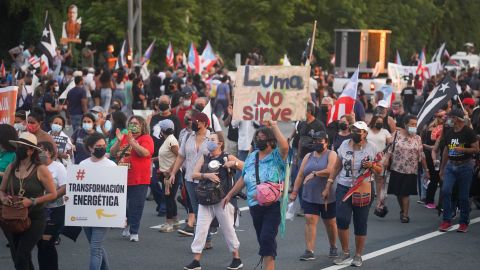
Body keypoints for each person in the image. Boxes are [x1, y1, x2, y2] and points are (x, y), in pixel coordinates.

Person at [223, 121, 289, 270]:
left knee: (266, 238)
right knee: (263, 241)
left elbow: (284, 146)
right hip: (254, 205)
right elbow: (243, 177)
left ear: (271, 141)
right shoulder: (252, 156)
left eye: (262, 137)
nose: (258, 139)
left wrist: (274, 126)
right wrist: (229, 195)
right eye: (257, 137)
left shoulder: (276, 156)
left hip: (273, 205)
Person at [184, 132, 244, 270]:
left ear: (220, 143)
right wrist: (207, 175)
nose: (209, 141)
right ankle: (196, 260)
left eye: (212, 139)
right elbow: (193, 174)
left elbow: (245, 165)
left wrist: (233, 163)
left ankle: (236, 258)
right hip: (205, 198)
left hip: (222, 199)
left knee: (228, 228)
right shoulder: (204, 157)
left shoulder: (226, 156)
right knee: (201, 229)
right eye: (208, 139)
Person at [0, 132, 57, 270]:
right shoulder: (12, 167)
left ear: (31, 151)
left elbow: (53, 193)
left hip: (35, 217)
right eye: (18, 146)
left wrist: (32, 201)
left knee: (22, 254)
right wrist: (3, 198)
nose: (18, 149)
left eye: (22, 147)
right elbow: (1, 190)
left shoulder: (41, 169)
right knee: (17, 256)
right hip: (13, 217)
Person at [329, 121, 382, 267]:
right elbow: (337, 166)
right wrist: (328, 183)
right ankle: (345, 252)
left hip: (363, 188)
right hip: (344, 187)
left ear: (365, 133)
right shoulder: (344, 144)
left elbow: (380, 169)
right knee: (341, 218)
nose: (355, 133)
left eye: (359, 131)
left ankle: (358, 255)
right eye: (353, 130)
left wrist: (372, 165)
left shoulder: (372, 147)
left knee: (360, 221)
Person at [290, 131, 338, 261]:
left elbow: (330, 170)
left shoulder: (331, 154)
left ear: (326, 142)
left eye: (320, 141)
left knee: (330, 222)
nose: (317, 143)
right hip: (309, 195)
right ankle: (309, 250)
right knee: (310, 220)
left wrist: (315, 173)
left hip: (326, 195)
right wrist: (294, 191)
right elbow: (300, 174)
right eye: (315, 140)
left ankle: (333, 246)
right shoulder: (308, 156)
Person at [110, 115, 154, 242]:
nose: (133, 125)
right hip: (122, 177)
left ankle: (134, 231)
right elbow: (113, 153)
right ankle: (126, 224)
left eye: (136, 123)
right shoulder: (123, 137)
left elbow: (145, 153)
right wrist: (119, 141)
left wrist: (132, 143)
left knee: (136, 205)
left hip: (139, 179)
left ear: (142, 126)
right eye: (131, 123)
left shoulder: (146, 138)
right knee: (123, 205)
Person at [169, 113, 211, 237]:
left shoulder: (211, 138)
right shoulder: (188, 136)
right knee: (197, 209)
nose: (193, 123)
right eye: (193, 121)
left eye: (197, 121)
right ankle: (205, 237)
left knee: (205, 210)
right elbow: (181, 156)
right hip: (189, 178)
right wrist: (173, 173)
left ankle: (206, 237)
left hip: (205, 179)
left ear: (205, 124)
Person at [79, 132, 116, 270]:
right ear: (90, 148)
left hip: (103, 213)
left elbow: (117, 193)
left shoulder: (111, 165)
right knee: (96, 246)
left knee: (95, 248)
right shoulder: (83, 164)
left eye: (103, 146)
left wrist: (119, 214)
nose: (101, 148)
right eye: (97, 146)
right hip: (87, 212)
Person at [438, 109, 479, 232]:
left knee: (463, 195)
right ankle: (446, 221)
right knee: (445, 191)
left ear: (457, 119)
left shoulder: (468, 132)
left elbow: (476, 149)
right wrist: (442, 168)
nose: (448, 120)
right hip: (451, 165)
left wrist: (463, 150)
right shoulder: (449, 132)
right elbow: (446, 150)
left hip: (465, 166)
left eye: (451, 117)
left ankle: (464, 222)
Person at [385, 115, 429, 223]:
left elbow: (422, 155)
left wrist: (426, 170)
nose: (414, 126)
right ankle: (402, 209)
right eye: (412, 124)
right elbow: (389, 150)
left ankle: (405, 214)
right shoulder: (396, 135)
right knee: (398, 193)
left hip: (411, 170)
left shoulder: (417, 138)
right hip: (396, 168)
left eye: (415, 124)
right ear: (405, 124)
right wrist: (385, 160)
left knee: (405, 193)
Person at [36, 141, 67, 270]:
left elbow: (65, 187)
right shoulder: (35, 167)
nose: (41, 153)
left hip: (55, 210)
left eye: (44, 150)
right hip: (37, 211)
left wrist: (50, 197)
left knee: (47, 243)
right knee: (40, 244)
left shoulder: (58, 167)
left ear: (50, 152)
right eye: (38, 150)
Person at [156, 120, 181, 232]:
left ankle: (169, 223)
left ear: (163, 130)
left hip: (171, 174)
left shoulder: (171, 141)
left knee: (169, 198)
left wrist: (171, 170)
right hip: (166, 173)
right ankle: (175, 221)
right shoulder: (168, 140)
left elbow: (179, 157)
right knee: (170, 198)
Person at [366, 116, 392, 211]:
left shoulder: (385, 132)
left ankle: (379, 203)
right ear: (373, 121)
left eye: (381, 122)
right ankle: (367, 200)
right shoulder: (367, 130)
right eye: (377, 122)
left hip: (380, 158)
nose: (379, 123)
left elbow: (390, 146)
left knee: (379, 180)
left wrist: (387, 158)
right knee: (366, 179)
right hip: (367, 159)